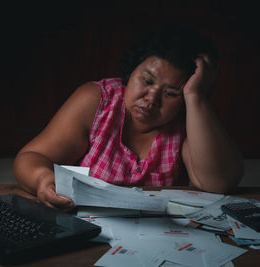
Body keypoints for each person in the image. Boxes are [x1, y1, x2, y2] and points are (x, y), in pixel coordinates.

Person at [13, 25, 244, 211]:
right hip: (88, 227)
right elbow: (31, 157)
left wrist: (195, 96)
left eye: (171, 93)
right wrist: (43, 178)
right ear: (131, 71)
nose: (151, 99)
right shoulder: (97, 101)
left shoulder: (188, 118)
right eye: (146, 80)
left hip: (159, 236)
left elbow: (219, 183)